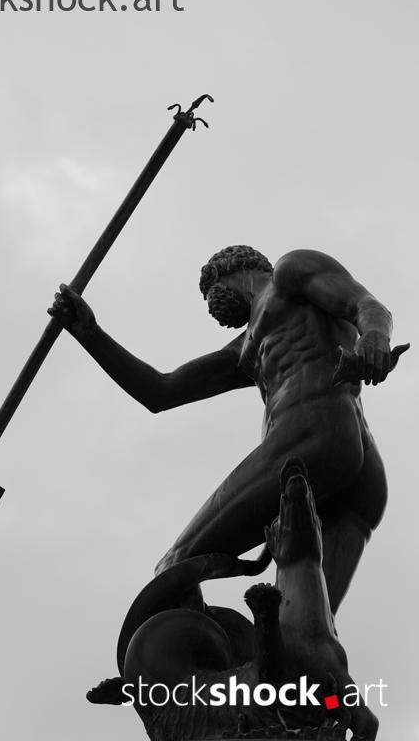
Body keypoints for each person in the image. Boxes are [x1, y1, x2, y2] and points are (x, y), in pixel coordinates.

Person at [49, 246, 397, 614]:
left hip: (313, 435)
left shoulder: (290, 273)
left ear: (229, 269)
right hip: (356, 466)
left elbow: (368, 306)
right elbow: (161, 391)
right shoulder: (244, 349)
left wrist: (374, 335)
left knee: (176, 564)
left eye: (209, 288)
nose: (210, 303)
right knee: (302, 632)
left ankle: (192, 645)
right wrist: (90, 334)